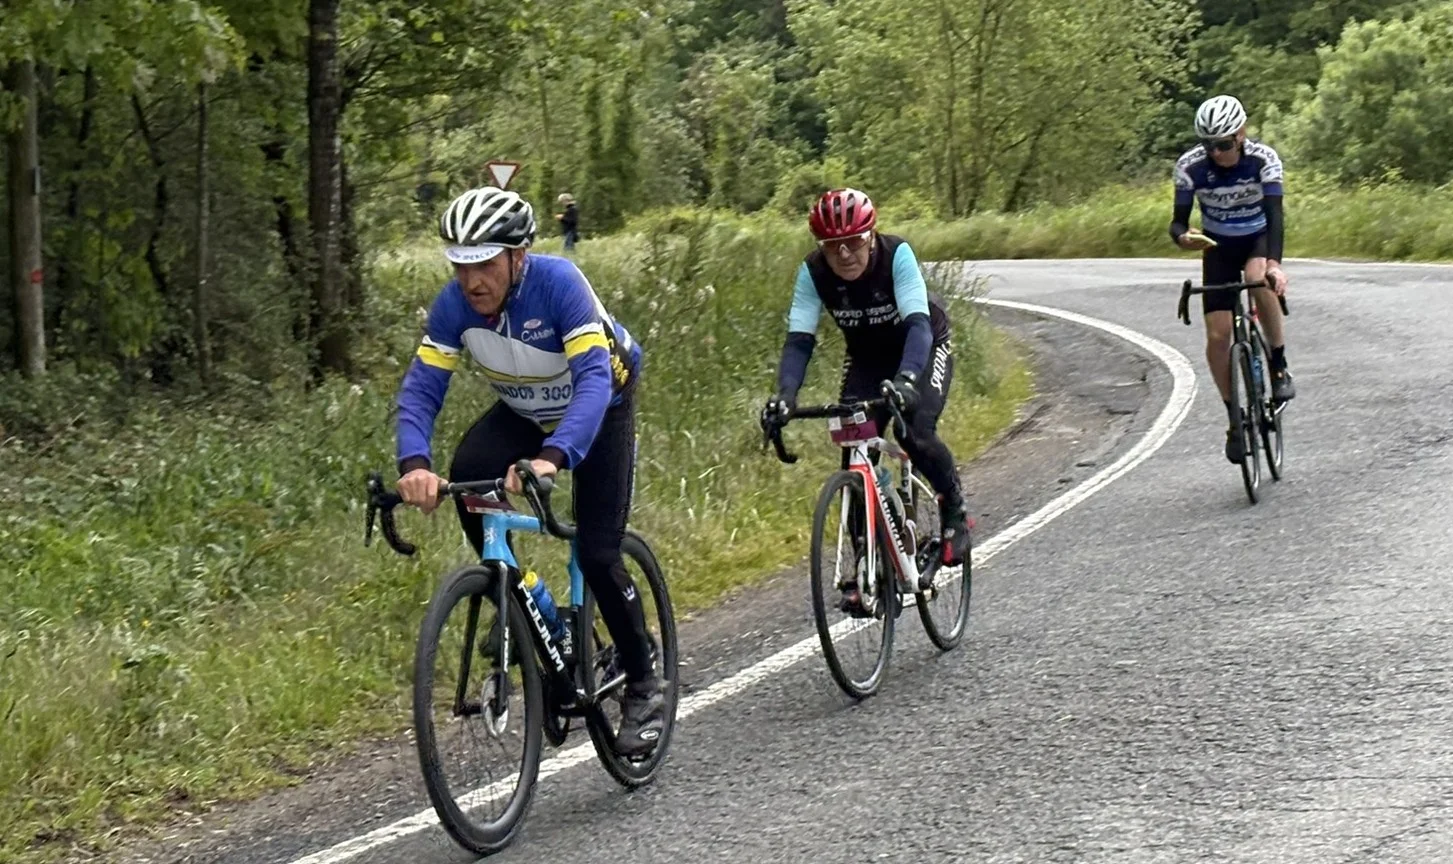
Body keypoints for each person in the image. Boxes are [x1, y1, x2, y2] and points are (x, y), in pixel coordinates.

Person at [393, 185, 664, 755]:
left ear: (519, 256)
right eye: (460, 266)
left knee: (597, 551)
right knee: (469, 475)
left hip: (600, 406)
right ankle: (525, 599)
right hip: (526, 410)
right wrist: (415, 464)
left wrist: (553, 457)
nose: (472, 282)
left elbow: (593, 380)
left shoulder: (559, 283)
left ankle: (644, 682)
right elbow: (421, 390)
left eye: (485, 265)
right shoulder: (452, 306)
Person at [761, 188, 971, 614]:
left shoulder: (896, 256)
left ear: (871, 236)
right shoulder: (814, 273)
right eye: (832, 246)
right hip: (868, 359)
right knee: (855, 448)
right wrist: (785, 396)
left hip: (922, 346)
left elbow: (918, 325)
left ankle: (954, 508)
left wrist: (908, 380)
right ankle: (868, 567)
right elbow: (799, 341)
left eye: (854, 242)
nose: (844, 254)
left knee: (914, 430)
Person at [1169, 94, 1297, 465]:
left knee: (1258, 279)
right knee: (1217, 335)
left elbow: (1275, 216)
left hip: (1257, 237)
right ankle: (1234, 419)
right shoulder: (1190, 166)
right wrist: (1183, 238)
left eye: (1223, 144)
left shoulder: (1263, 159)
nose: (1216, 153)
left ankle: (1278, 363)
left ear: (1241, 135)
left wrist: (1275, 265)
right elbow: (1177, 221)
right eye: (1208, 145)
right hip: (1218, 245)